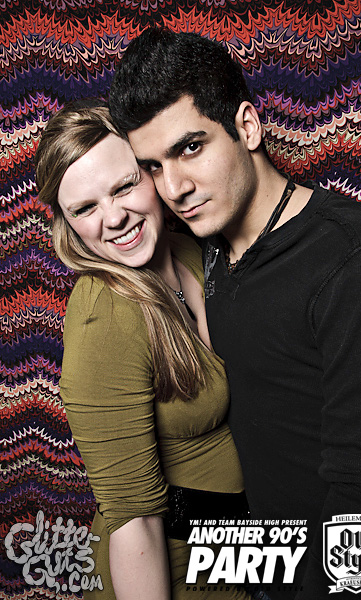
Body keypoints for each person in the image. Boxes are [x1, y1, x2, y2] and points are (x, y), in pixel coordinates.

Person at [108, 28, 361, 599]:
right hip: (269, 570)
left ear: (247, 127)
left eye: (190, 148)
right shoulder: (207, 246)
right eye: (153, 167)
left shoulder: (355, 262)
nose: (175, 187)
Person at [34, 102, 255, 600]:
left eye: (123, 186)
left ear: (153, 173)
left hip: (236, 558)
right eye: (85, 209)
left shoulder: (191, 250)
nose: (114, 218)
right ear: (68, 223)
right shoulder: (103, 313)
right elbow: (134, 520)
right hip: (170, 571)